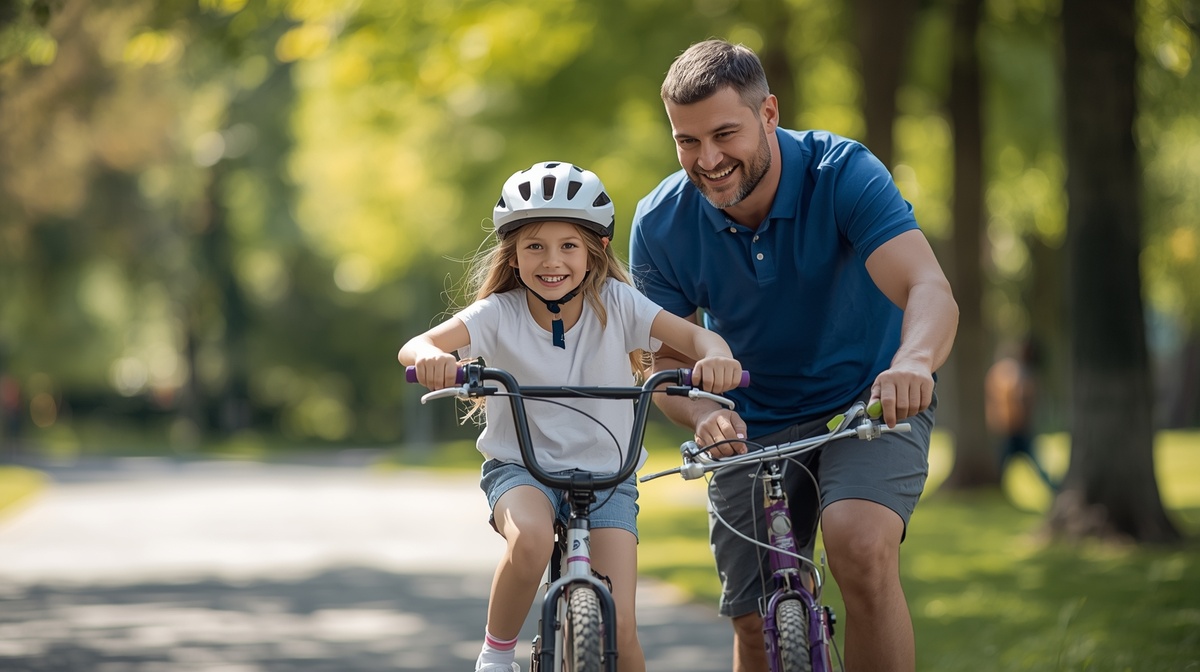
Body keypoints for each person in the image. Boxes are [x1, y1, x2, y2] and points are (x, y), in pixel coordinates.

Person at [629, 40, 959, 672]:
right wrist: (700, 414)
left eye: (725, 133)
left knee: (860, 549)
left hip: (867, 403)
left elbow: (928, 288)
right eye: (687, 141)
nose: (709, 159)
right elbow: (657, 362)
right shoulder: (662, 223)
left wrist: (914, 361)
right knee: (754, 620)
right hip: (748, 427)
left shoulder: (843, 173)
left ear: (770, 114)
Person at [400, 160, 744, 672]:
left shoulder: (619, 304)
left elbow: (695, 337)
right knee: (533, 539)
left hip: (609, 476)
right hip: (522, 469)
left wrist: (714, 355)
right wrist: (431, 359)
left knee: (621, 631)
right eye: (534, 245)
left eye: (568, 245)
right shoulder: (499, 313)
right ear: (512, 254)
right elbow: (416, 346)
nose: (551, 260)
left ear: (596, 250)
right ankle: (495, 656)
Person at [985, 339, 1057, 492]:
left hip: (1018, 429)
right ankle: (998, 490)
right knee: (1008, 464)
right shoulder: (1014, 374)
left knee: (1032, 465)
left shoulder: (1021, 375)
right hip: (1011, 429)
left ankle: (1053, 488)